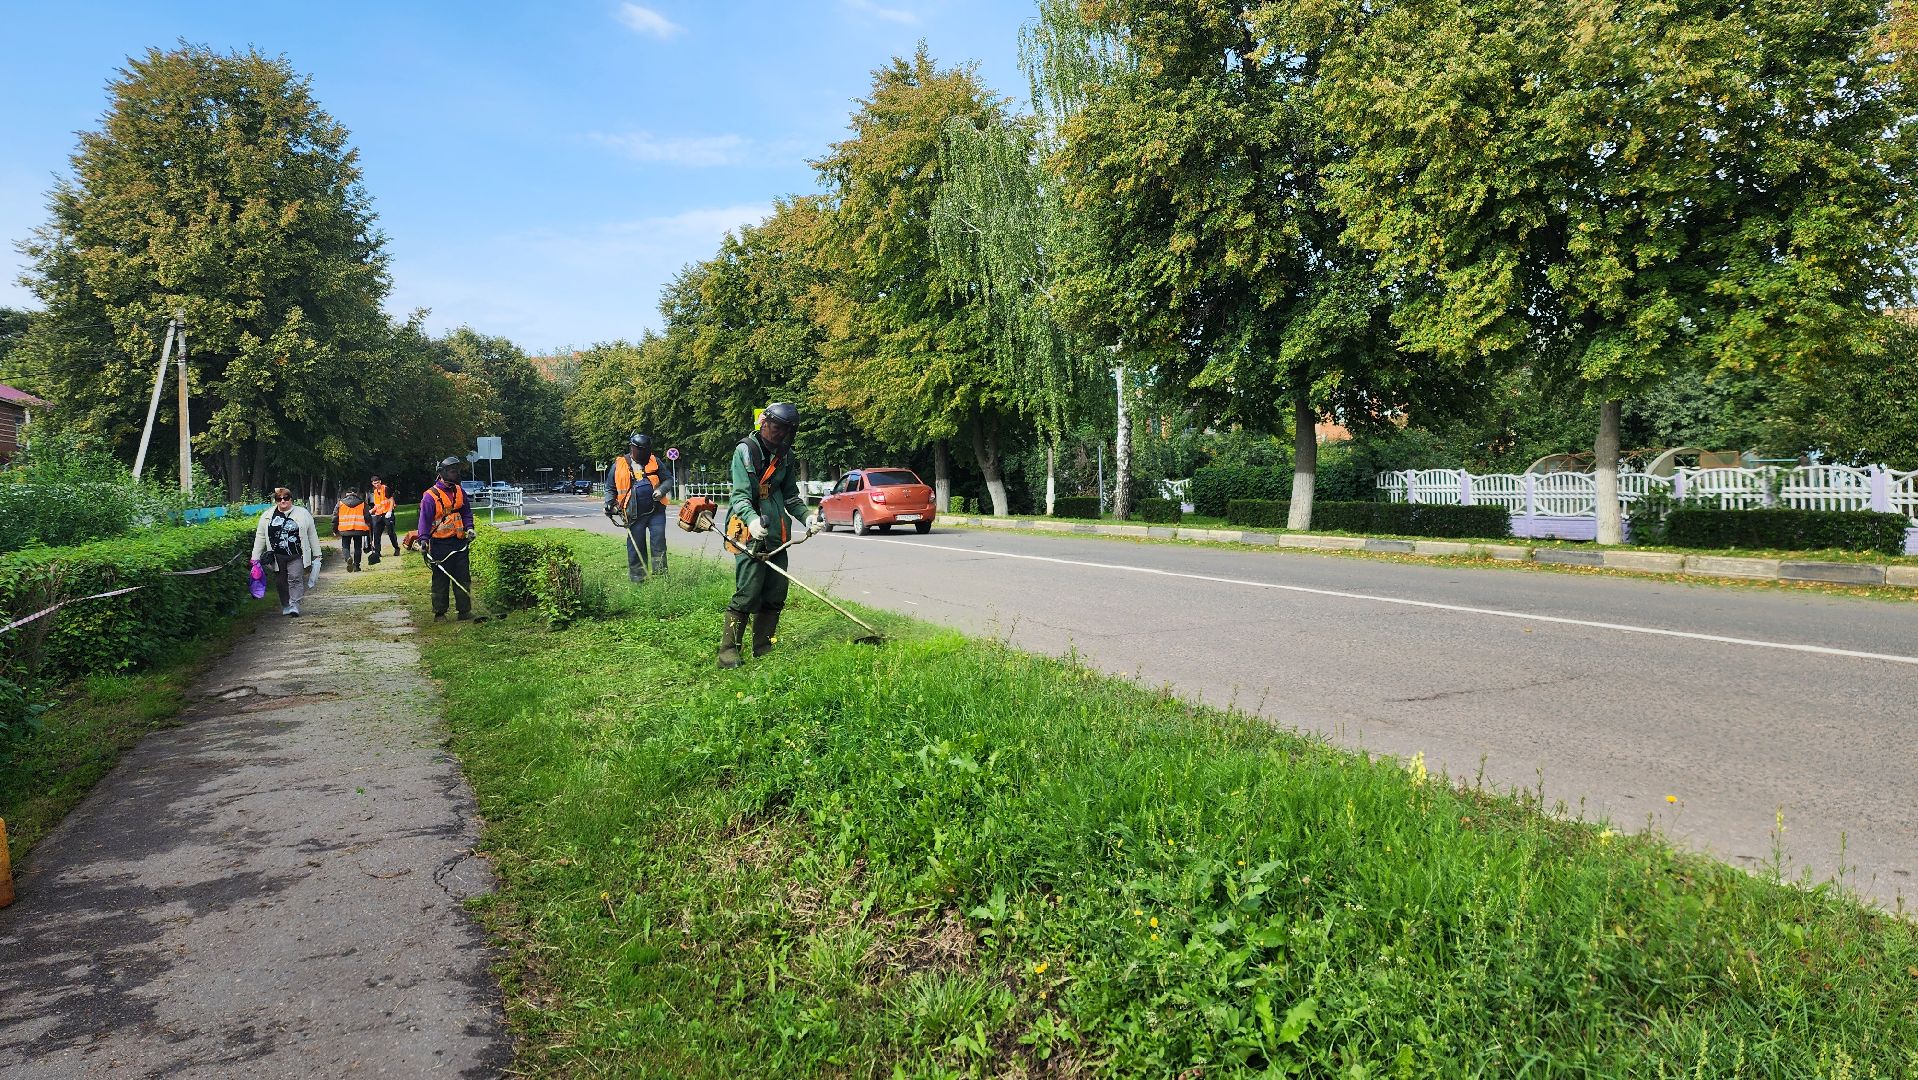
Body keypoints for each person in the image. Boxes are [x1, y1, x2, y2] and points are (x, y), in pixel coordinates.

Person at [718, 402, 817, 668]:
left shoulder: (785, 454)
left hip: (777, 532)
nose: (780, 434)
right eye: (777, 428)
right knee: (749, 591)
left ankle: (763, 647)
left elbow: (790, 495)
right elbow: (739, 495)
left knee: (775, 592)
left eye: (787, 430)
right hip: (748, 530)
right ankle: (728, 651)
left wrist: (807, 516)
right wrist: (751, 520)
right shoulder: (745, 451)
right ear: (764, 423)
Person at [603, 432, 672, 582]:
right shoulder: (619, 465)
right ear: (633, 449)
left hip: (656, 511)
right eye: (641, 451)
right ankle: (638, 578)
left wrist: (661, 490)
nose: (645, 454)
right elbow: (610, 488)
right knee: (636, 546)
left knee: (658, 543)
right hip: (633, 514)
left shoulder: (655, 461)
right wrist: (609, 503)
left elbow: (668, 479)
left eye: (647, 451)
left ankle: (660, 577)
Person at [418, 456, 476, 621]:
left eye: (456, 471)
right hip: (440, 543)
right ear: (442, 472)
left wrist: (469, 528)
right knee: (440, 579)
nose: (455, 474)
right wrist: (423, 539)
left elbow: (466, 512)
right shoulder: (430, 496)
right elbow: (425, 519)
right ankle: (440, 612)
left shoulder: (459, 491)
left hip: (459, 542)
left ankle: (464, 611)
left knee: (463, 577)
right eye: (451, 471)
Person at [251, 487, 320, 616]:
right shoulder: (267, 516)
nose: (283, 501)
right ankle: (286, 605)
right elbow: (260, 536)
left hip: (296, 554)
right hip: (277, 556)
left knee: (295, 578)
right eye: (279, 499)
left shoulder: (303, 513)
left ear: (291, 499)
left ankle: (295, 605)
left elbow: (312, 534)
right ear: (276, 500)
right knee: (280, 582)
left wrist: (317, 554)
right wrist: (255, 557)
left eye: (286, 498)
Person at [333, 488, 371, 572]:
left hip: (345, 529)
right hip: (359, 529)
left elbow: (335, 517)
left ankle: (348, 558)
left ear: (346, 494)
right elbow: (367, 516)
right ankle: (356, 566)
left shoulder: (340, 503)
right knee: (358, 547)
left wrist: (334, 530)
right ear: (355, 493)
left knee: (345, 546)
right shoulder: (362, 503)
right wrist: (369, 526)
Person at [367, 475, 400, 563]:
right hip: (378, 514)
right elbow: (377, 505)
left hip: (387, 514)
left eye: (378, 482)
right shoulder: (374, 491)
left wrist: (389, 511)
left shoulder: (385, 489)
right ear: (372, 484)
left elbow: (391, 500)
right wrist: (371, 511)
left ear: (380, 482)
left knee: (391, 532)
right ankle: (377, 552)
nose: (377, 484)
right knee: (376, 534)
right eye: (375, 483)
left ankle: (396, 548)